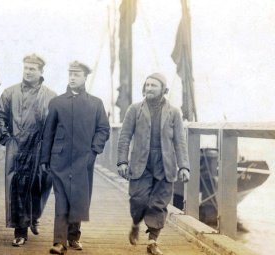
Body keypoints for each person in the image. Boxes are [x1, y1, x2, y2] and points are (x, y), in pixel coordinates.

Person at [40, 61, 110, 255]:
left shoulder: (96, 103)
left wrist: (94, 150)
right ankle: (59, 242)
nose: (72, 77)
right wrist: (45, 159)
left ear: (85, 77)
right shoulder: (57, 102)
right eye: (70, 73)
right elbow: (48, 133)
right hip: (60, 159)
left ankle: (73, 237)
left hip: (84, 159)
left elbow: (103, 129)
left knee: (79, 197)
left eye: (77, 74)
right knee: (61, 198)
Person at [116, 73, 190, 255]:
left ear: (163, 90)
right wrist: (122, 161)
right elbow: (124, 136)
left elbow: (180, 141)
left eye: (153, 86)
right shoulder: (134, 109)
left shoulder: (174, 112)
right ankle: (135, 224)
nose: (149, 88)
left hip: (165, 164)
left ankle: (152, 241)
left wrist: (184, 166)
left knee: (159, 203)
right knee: (138, 199)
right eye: (147, 85)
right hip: (141, 162)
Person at [0, 54, 56, 246]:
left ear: (41, 72)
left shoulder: (51, 96)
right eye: (26, 68)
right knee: (18, 187)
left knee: (41, 183)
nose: (28, 72)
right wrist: (5, 137)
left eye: (32, 69)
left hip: (40, 147)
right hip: (17, 145)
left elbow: (56, 123)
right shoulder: (10, 93)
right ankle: (21, 231)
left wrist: (51, 145)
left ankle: (34, 215)